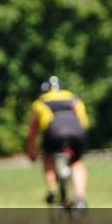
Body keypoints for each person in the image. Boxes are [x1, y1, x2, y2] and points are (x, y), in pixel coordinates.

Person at [26, 76, 90, 209]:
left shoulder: (40, 102)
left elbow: (33, 131)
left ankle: (52, 189)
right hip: (76, 131)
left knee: (47, 156)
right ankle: (80, 198)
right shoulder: (73, 98)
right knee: (76, 163)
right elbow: (84, 121)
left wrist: (32, 150)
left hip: (53, 132)